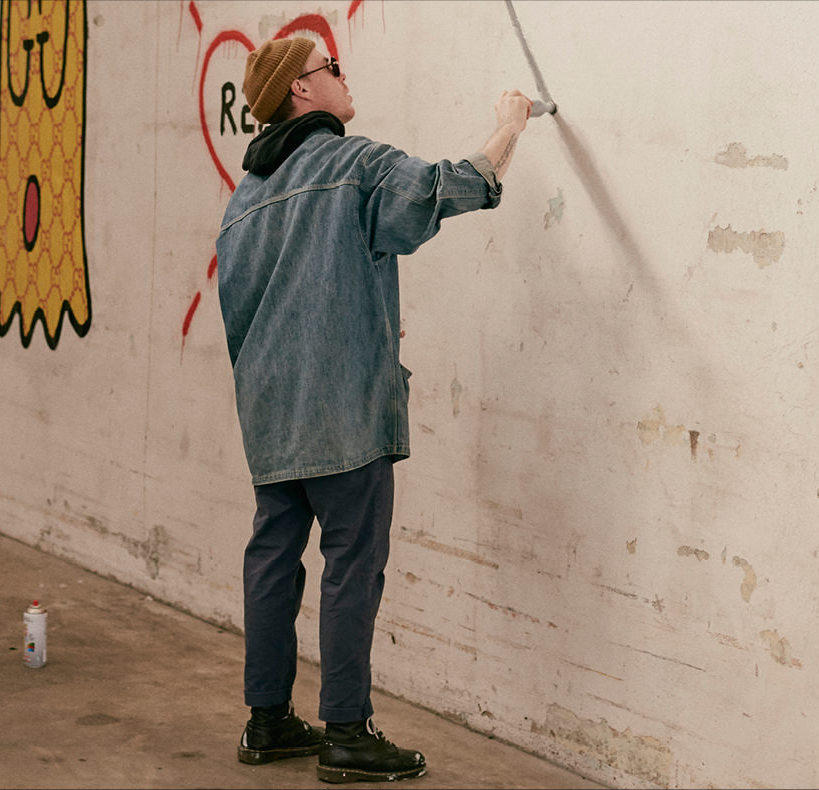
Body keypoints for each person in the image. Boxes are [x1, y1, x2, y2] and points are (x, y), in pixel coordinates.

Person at [215, 37, 530, 783]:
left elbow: (251, 317)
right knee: (352, 565)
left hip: (270, 412)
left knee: (272, 560)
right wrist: (509, 127)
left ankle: (267, 722)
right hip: (343, 413)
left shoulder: (242, 203)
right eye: (329, 67)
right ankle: (347, 733)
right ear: (300, 90)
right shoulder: (353, 165)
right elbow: (447, 188)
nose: (342, 74)